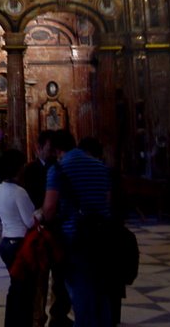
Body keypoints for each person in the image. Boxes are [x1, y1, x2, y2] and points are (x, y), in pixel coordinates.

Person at [41, 129, 113, 327]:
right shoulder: (100, 166)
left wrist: (48, 219)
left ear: (56, 150)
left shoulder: (59, 169)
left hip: (74, 236)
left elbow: (49, 208)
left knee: (79, 289)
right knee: (101, 288)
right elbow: (107, 201)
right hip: (102, 234)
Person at [21, 132, 71, 327]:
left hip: (58, 229)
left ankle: (59, 316)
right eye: (49, 150)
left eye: (55, 151)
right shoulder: (29, 170)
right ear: (38, 148)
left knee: (60, 277)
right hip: (38, 229)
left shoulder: (60, 169)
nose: (52, 154)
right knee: (39, 279)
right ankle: (37, 317)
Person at [0, 148, 37, 327]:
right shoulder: (19, 192)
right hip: (20, 244)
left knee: (15, 288)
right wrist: (41, 213)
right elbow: (29, 221)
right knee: (25, 291)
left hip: (5, 243)